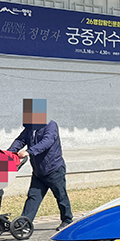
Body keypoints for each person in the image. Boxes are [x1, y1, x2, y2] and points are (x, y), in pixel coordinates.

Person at [7, 98, 73, 230]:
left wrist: (28, 152)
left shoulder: (51, 125)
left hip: (54, 169)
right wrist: (9, 152)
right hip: (38, 171)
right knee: (33, 197)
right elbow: (20, 140)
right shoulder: (30, 127)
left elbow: (47, 142)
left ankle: (67, 220)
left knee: (60, 196)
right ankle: (24, 223)